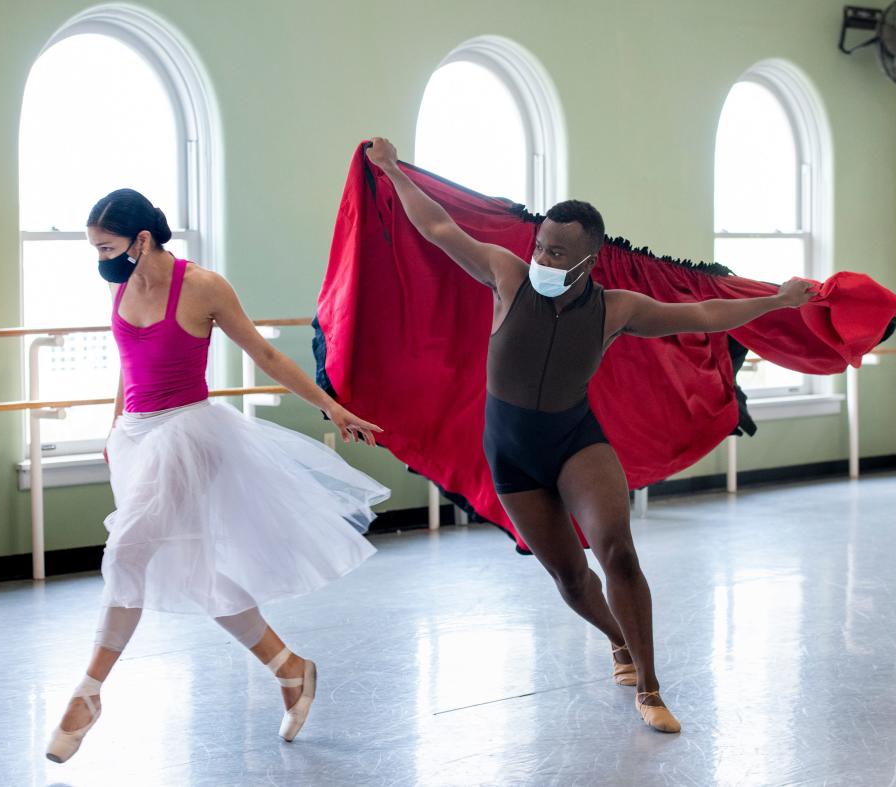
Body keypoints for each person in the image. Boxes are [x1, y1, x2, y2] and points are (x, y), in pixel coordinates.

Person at [366, 137, 815, 733]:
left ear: (588, 261)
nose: (543, 260)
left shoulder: (617, 309)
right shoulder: (507, 276)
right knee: (571, 577)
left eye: (557, 254)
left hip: (577, 439)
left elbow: (704, 315)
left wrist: (776, 301)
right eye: (540, 248)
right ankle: (617, 641)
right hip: (511, 452)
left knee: (617, 550)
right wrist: (392, 170)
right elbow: (440, 227)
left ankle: (651, 689)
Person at [47, 189, 390, 762]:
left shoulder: (202, 287)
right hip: (136, 439)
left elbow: (267, 355)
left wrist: (332, 406)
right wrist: (114, 428)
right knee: (197, 571)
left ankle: (88, 692)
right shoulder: (118, 283)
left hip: (188, 437)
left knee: (127, 551)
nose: (100, 259)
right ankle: (290, 668)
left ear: (142, 240)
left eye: (106, 247)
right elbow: (126, 364)